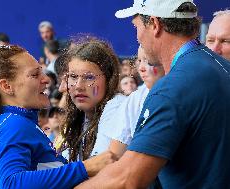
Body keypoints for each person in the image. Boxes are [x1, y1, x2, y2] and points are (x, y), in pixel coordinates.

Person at [76, 0, 230, 188]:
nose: (137, 36)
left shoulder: (173, 87)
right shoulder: (220, 66)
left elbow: (127, 179)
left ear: (155, 25)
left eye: (137, 27)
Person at [0, 45, 117, 189]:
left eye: (42, 72)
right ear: (7, 86)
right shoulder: (13, 124)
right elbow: (12, 183)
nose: (46, 80)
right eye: (35, 75)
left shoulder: (14, 122)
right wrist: (85, 168)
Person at [61, 38, 126, 161]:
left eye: (89, 77)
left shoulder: (118, 106)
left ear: (109, 80)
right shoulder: (78, 117)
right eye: (73, 77)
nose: (79, 86)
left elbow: (97, 167)